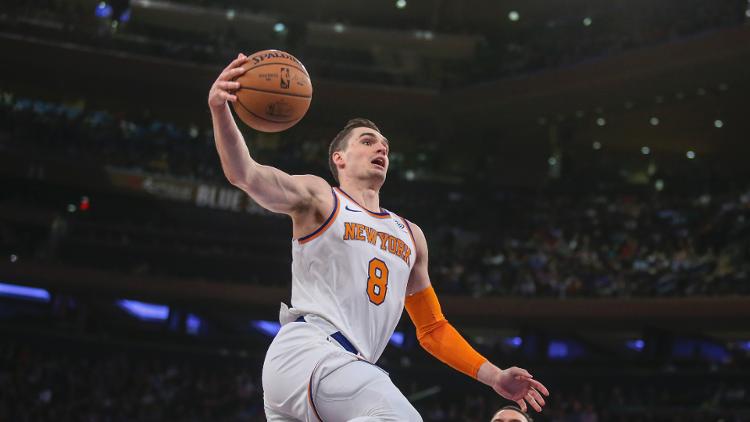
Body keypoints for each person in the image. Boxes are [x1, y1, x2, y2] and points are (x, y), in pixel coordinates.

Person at [209, 53, 550, 421]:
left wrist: (494, 376)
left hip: (333, 374)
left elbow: (432, 329)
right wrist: (219, 109)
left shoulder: (410, 235)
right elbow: (245, 173)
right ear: (339, 158)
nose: (381, 148)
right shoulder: (322, 197)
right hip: (312, 350)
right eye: (368, 141)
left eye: (385, 144)